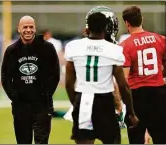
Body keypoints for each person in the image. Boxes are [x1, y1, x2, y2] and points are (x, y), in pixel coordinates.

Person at [64, 9, 139, 144]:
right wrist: (131, 112)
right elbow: (123, 85)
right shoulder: (114, 50)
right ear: (106, 27)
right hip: (104, 100)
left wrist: (75, 104)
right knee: (112, 140)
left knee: (84, 141)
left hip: (83, 100)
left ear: (87, 27)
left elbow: (69, 83)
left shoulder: (73, 47)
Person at [1, 15, 60, 144]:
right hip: (21, 107)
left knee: (42, 141)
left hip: (42, 106)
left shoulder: (47, 48)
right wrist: (15, 97)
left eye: (31, 27)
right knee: (23, 141)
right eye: (25, 27)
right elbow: (5, 77)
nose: (28, 30)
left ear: (35, 28)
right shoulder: (12, 51)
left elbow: (55, 75)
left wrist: (47, 95)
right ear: (19, 29)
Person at [120, 5, 166, 144]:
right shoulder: (160, 39)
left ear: (126, 23)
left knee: (136, 140)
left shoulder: (125, 45)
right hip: (159, 94)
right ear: (142, 19)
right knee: (162, 138)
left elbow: (124, 78)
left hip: (137, 96)